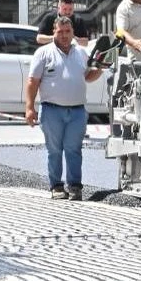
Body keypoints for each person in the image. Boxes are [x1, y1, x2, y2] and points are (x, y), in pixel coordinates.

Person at [24, 16, 106, 200]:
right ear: (54, 31)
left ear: (72, 33)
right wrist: (29, 108)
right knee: (54, 150)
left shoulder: (81, 53)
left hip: (77, 111)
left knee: (74, 149)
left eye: (67, 31)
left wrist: (100, 68)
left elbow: (88, 77)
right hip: (51, 110)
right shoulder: (43, 53)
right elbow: (32, 82)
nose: (63, 35)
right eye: (60, 31)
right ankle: (56, 186)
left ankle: (75, 186)